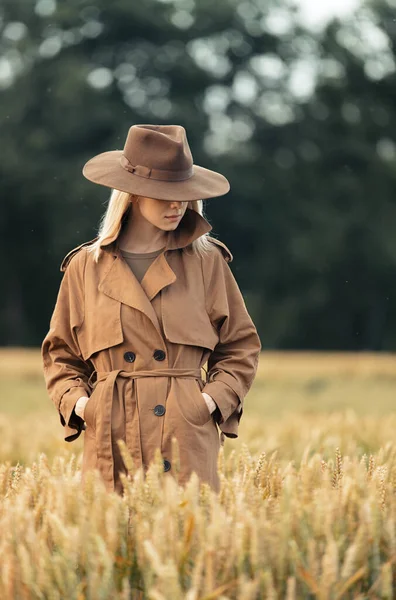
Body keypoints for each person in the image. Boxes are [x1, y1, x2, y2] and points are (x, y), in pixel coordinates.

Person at [41, 124, 261, 495]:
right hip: (111, 438)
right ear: (132, 195)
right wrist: (81, 405)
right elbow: (60, 354)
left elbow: (240, 347)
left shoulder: (207, 262)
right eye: (164, 195)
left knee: (186, 545)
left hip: (185, 439)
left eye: (183, 194)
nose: (178, 205)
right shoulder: (86, 266)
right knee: (113, 547)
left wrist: (207, 402)